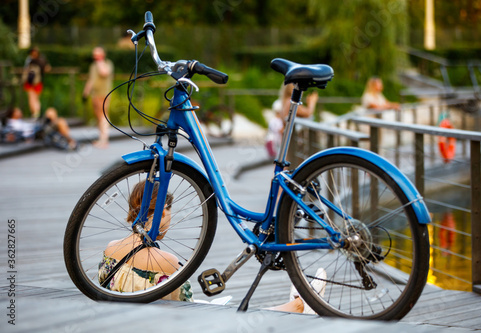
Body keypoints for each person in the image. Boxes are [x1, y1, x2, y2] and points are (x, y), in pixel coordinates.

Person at [98, 179, 327, 313]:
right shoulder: (166, 261)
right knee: (235, 316)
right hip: (172, 321)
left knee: (220, 306)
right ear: (163, 211)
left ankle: (299, 302)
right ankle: (299, 305)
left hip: (130, 318)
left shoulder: (110, 248)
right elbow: (185, 302)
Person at [266, 83, 318, 159]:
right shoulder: (292, 102)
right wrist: (312, 102)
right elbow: (308, 113)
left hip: (288, 141)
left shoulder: (285, 101)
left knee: (285, 162)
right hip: (292, 141)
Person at [83, 47, 114, 149]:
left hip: (104, 94)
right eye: (95, 55)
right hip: (95, 94)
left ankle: (104, 139)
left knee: (103, 115)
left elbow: (104, 73)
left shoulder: (107, 64)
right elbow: (91, 79)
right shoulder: (93, 66)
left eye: (98, 55)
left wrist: (100, 62)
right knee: (98, 116)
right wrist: (86, 92)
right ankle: (101, 138)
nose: (96, 57)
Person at [22, 47, 51, 118]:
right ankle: (36, 113)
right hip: (35, 81)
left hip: (34, 82)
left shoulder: (30, 60)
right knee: (34, 98)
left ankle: (35, 113)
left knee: (33, 98)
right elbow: (48, 68)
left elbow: (25, 69)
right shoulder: (41, 60)